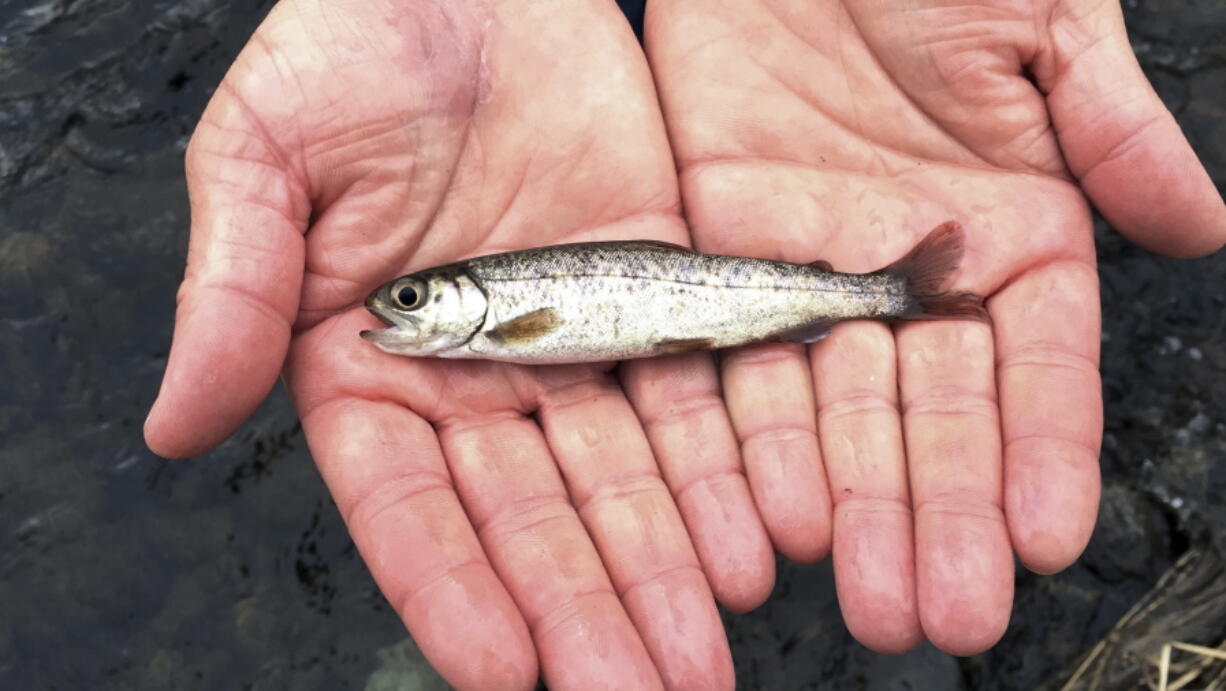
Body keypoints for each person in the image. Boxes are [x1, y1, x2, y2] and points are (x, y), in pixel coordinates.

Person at [143, 0, 1226, 688]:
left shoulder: (505, 323)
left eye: (418, 300)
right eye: (415, 304)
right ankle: (887, 295)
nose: (405, 317)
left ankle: (889, 293)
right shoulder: (483, 324)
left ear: (466, 297)